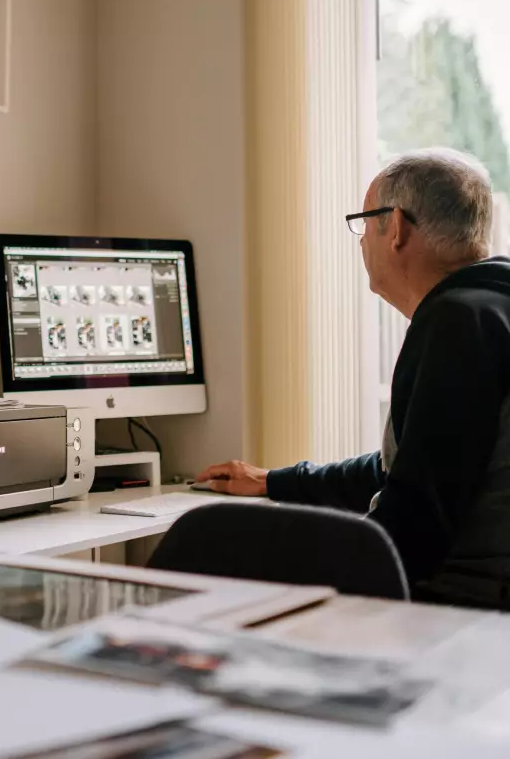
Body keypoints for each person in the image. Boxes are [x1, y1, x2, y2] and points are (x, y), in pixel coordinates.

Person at [196, 148, 510, 609]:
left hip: (467, 608)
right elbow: (408, 468)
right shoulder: (489, 308)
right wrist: (275, 481)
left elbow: (416, 521)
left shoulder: (457, 322)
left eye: (364, 222)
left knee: (215, 550)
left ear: (397, 228)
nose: (361, 240)